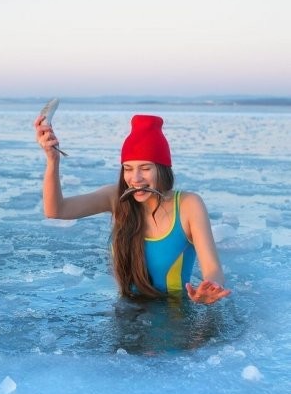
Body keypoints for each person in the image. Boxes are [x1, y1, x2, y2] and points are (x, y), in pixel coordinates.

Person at [34, 112, 231, 305]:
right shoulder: (116, 198)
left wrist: (211, 289)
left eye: (145, 168)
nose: (135, 179)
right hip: (128, 313)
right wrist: (53, 160)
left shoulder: (189, 204)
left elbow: (213, 268)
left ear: (162, 169)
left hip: (174, 315)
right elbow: (56, 210)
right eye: (128, 169)